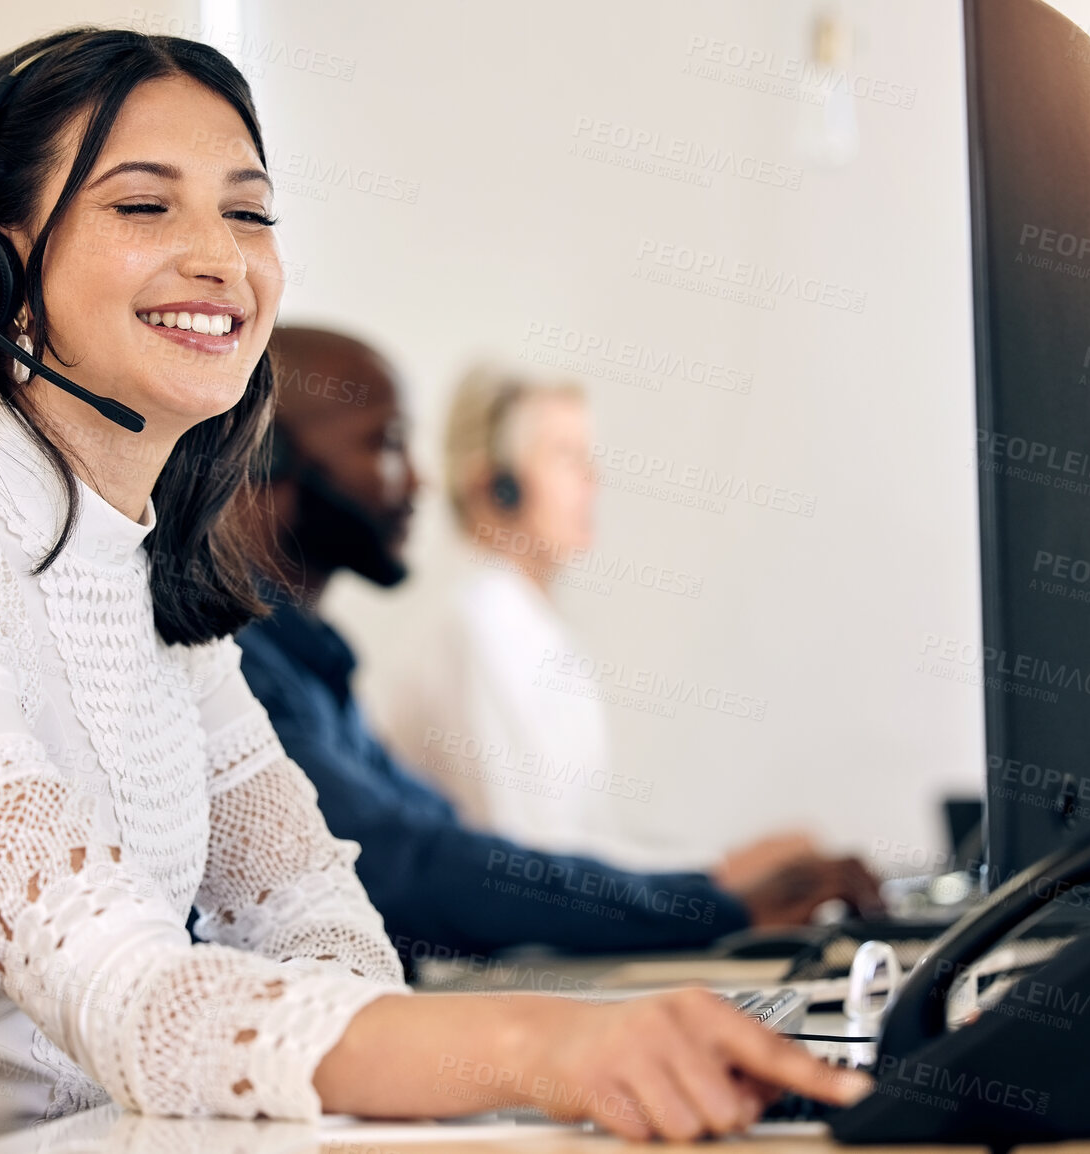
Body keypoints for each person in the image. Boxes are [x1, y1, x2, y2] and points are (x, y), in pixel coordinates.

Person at [0, 29, 868, 1153]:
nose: (220, 255)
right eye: (142, 205)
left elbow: (321, 924)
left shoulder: (158, 587)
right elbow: (131, 996)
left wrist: (501, 1056)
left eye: (249, 210)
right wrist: (542, 1048)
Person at [235, 328, 881, 966]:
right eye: (388, 443)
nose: (419, 484)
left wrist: (710, 888)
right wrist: (715, 894)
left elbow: (442, 838)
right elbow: (426, 868)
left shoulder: (315, 662)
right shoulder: (255, 664)